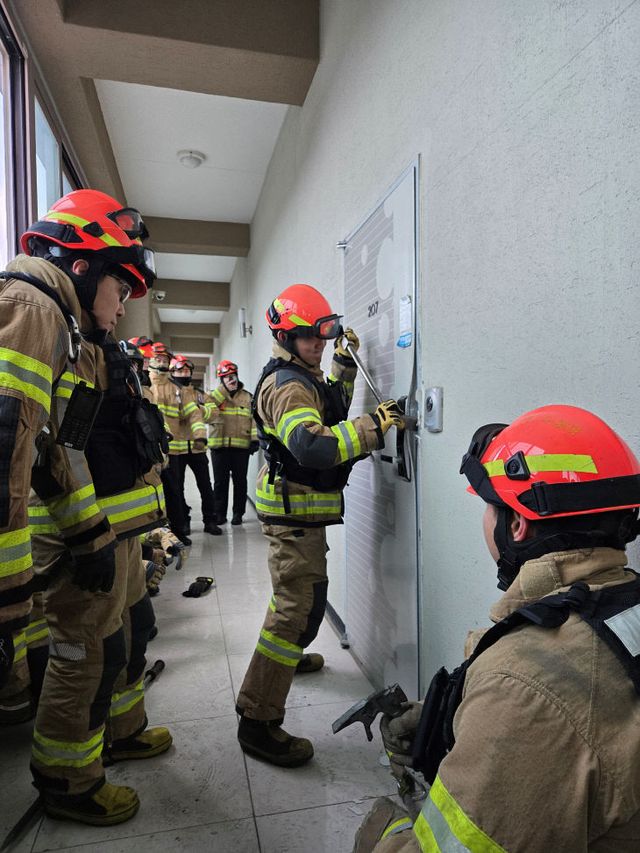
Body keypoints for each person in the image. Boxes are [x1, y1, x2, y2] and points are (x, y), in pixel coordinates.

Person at [357, 404, 640, 853]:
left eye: (490, 508)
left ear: (517, 523)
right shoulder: (622, 606)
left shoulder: (522, 688)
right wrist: (453, 711)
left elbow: (543, 707)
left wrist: (386, 831)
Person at [19, 190, 172, 826]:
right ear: (82, 266)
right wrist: (86, 537)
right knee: (85, 654)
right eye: (119, 284)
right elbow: (40, 451)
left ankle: (123, 731)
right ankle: (67, 782)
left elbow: (79, 443)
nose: (125, 302)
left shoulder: (80, 338)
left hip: (114, 529)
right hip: (78, 536)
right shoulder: (31, 310)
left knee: (130, 635)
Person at [235, 283, 404, 767]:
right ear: (285, 338)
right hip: (291, 516)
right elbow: (314, 446)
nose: (320, 344)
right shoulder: (287, 386)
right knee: (293, 611)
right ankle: (257, 720)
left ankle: (290, 656)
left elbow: (331, 406)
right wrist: (376, 425)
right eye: (310, 338)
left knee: (305, 602)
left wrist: (344, 367)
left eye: (325, 334)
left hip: (301, 513)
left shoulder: (306, 375)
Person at [168, 354, 221, 536]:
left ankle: (211, 521)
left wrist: (195, 410)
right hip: (178, 449)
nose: (184, 373)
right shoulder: (168, 393)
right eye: (180, 370)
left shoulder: (199, 394)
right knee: (178, 488)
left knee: (206, 486)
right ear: (172, 372)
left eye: (187, 370)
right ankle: (183, 522)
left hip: (198, 448)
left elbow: (213, 413)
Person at [205, 359, 258, 526]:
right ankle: (219, 514)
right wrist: (223, 391)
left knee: (240, 482)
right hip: (219, 448)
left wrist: (255, 440)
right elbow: (206, 413)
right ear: (221, 380)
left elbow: (254, 421)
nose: (231, 379)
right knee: (220, 483)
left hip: (241, 448)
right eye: (227, 377)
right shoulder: (214, 397)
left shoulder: (247, 397)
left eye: (233, 376)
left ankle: (238, 514)